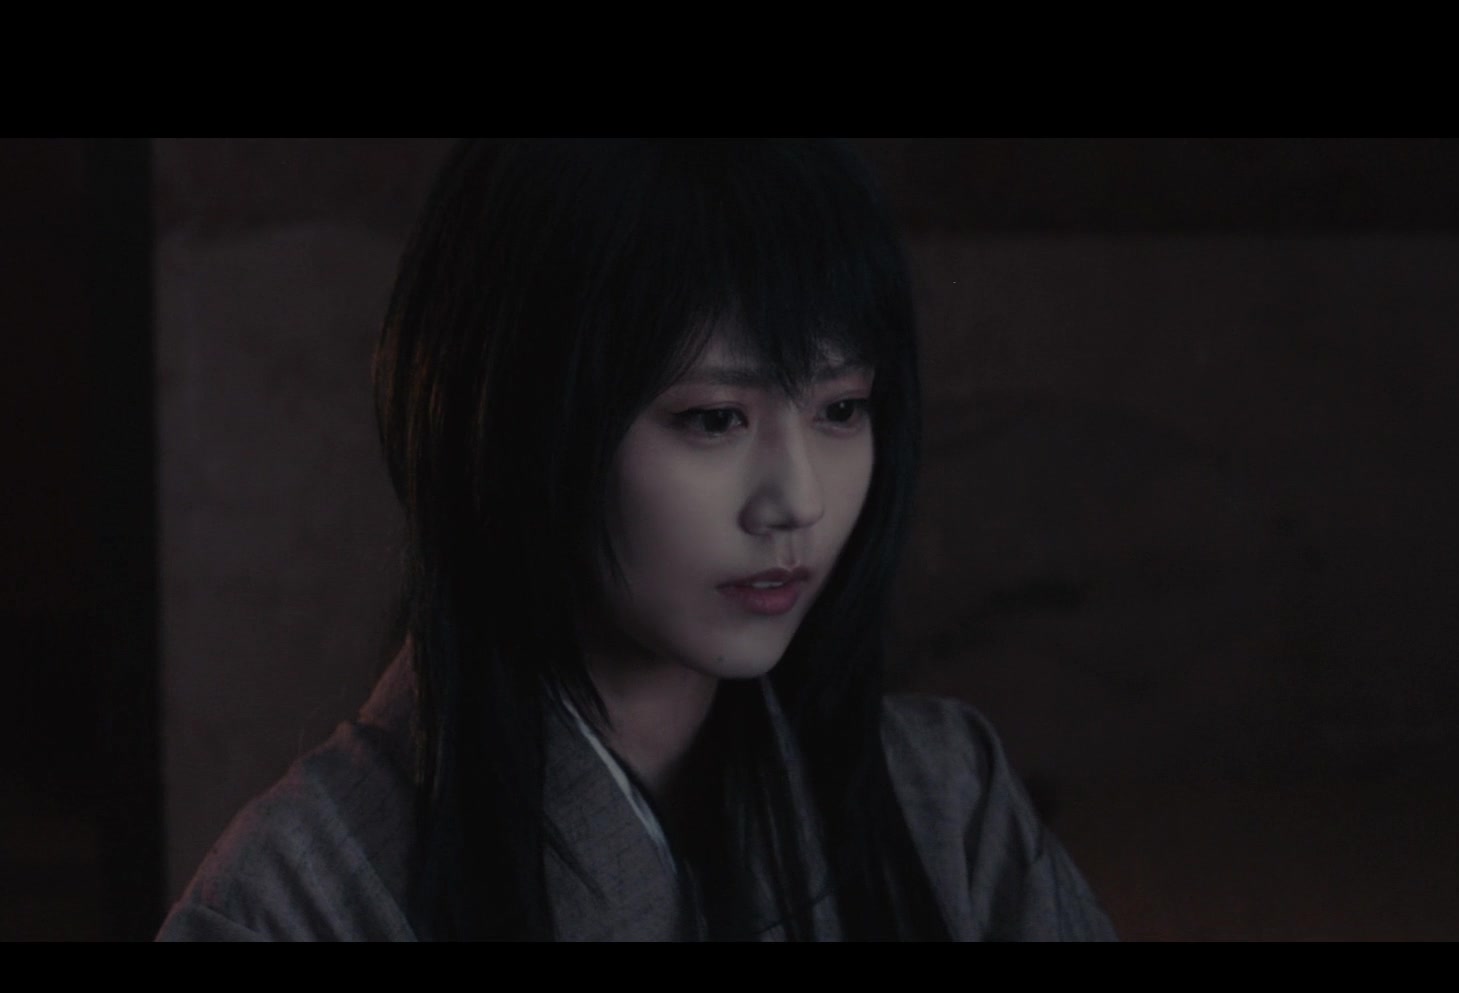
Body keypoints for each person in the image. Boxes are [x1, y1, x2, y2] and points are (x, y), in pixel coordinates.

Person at [157, 139, 1117, 941]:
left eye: (841, 408)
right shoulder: (293, 900)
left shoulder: (943, 804)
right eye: (714, 419)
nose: (798, 501)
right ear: (522, 420)